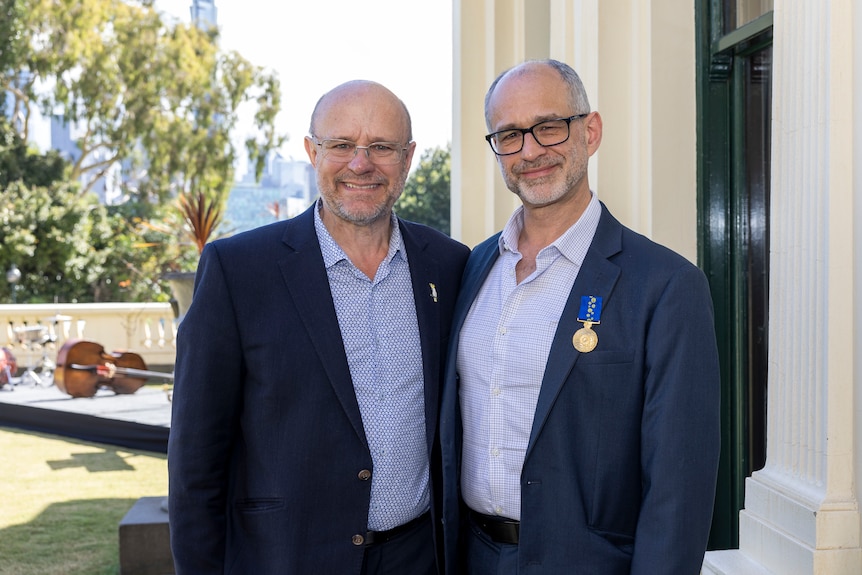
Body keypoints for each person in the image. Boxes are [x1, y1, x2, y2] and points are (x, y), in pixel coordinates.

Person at [168, 79, 470, 574]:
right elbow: (195, 463)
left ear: (409, 157)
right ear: (312, 151)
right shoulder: (238, 270)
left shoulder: (449, 265)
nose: (361, 163)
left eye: (382, 147)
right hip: (287, 558)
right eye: (342, 145)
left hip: (418, 559)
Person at [440, 59, 721, 574]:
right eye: (509, 135)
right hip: (475, 560)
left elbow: (679, 488)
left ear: (589, 131)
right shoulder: (472, 269)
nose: (530, 151)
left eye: (548, 126)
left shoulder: (665, 287)